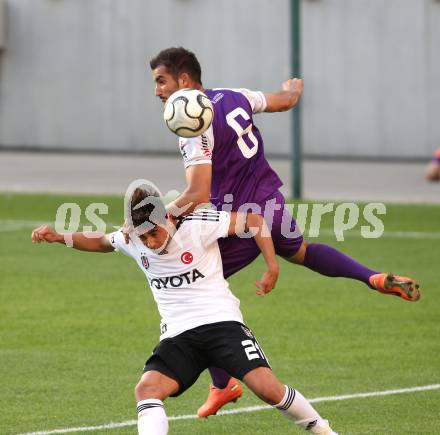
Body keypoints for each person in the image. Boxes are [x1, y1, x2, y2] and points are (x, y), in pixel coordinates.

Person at [145, 47, 421, 417]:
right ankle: (370, 277)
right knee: (302, 252)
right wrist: (292, 89)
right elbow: (283, 102)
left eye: (161, 81)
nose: (157, 91)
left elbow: (198, 194)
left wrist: (160, 218)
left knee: (194, 289)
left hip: (242, 220)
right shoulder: (234, 96)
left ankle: (223, 384)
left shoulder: (193, 129)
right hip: (270, 204)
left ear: (183, 80)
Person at [31, 187, 338, 435]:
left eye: (155, 234)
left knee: (268, 389)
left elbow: (254, 220)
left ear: (167, 219)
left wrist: (272, 266)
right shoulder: (132, 239)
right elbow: (100, 241)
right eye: (144, 237)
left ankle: (322, 430)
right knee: (147, 389)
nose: (150, 243)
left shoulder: (198, 226)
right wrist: (60, 237)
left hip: (222, 325)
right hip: (179, 337)